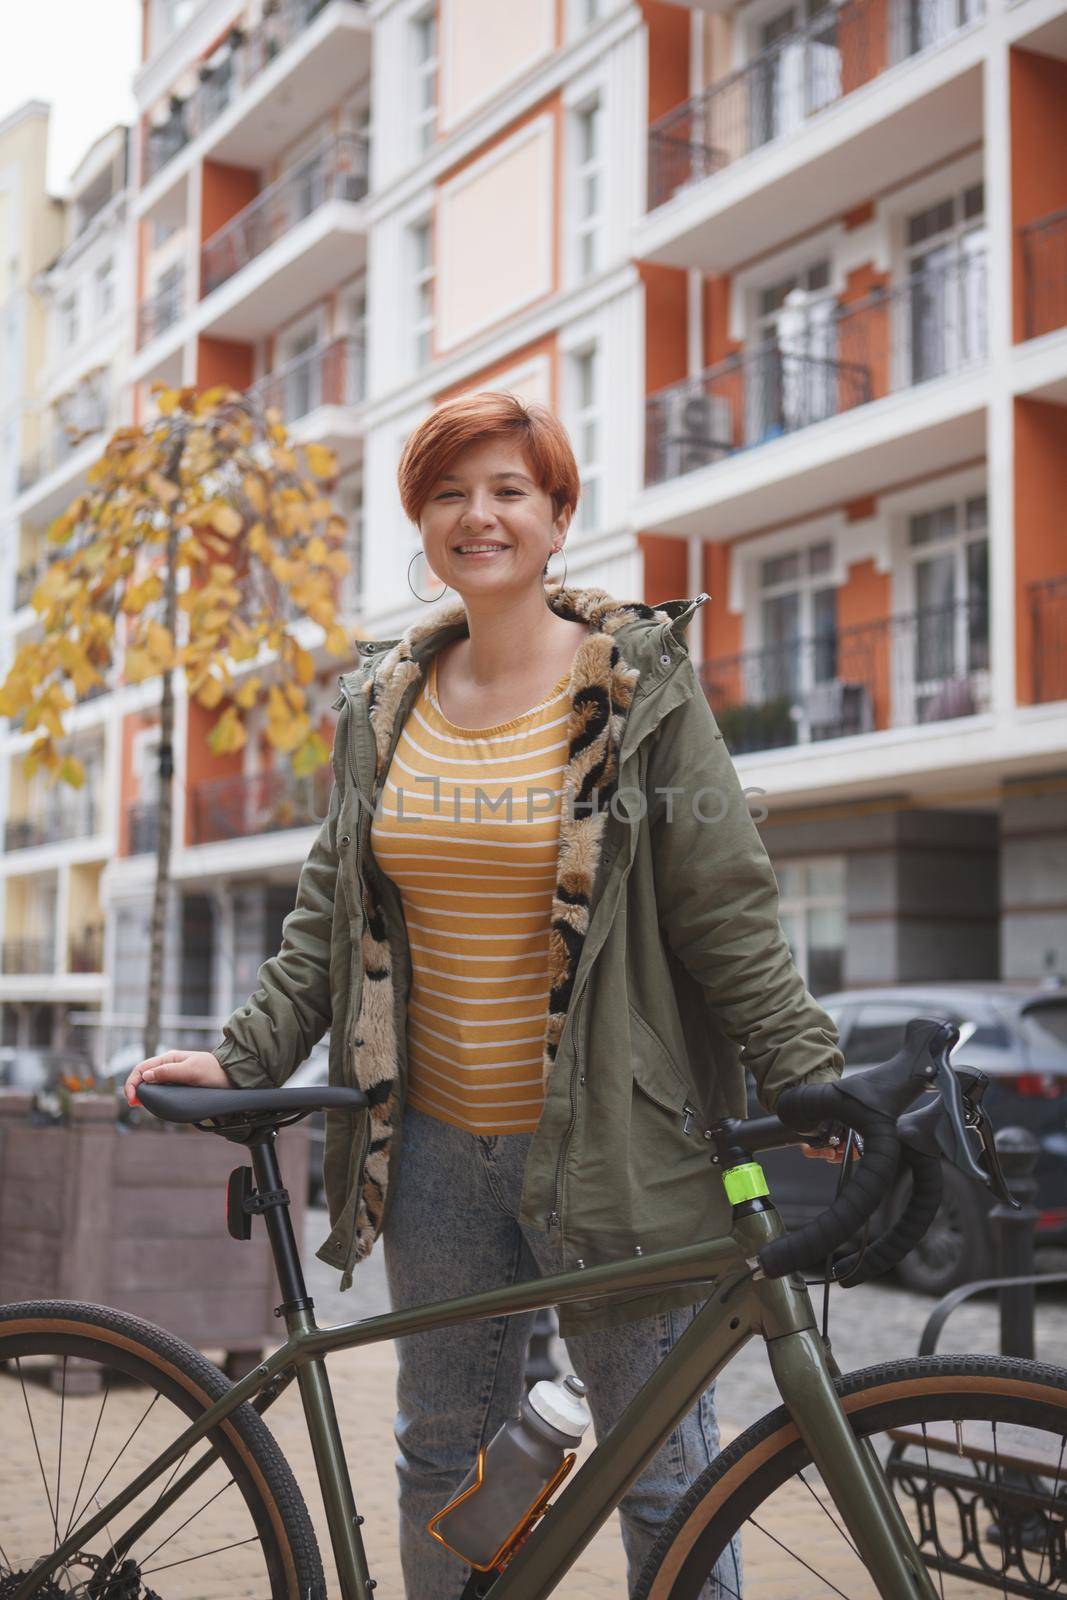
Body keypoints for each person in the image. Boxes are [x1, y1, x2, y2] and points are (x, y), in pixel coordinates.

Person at [125, 391, 846, 1600]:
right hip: (434, 1155)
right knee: (440, 1457)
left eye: (509, 489)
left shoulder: (638, 689)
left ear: (558, 516)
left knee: (662, 1471)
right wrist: (244, 1057)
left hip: (614, 1150)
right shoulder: (381, 702)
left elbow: (721, 902)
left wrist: (797, 1061)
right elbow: (329, 912)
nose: (480, 515)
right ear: (422, 519)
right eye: (451, 492)